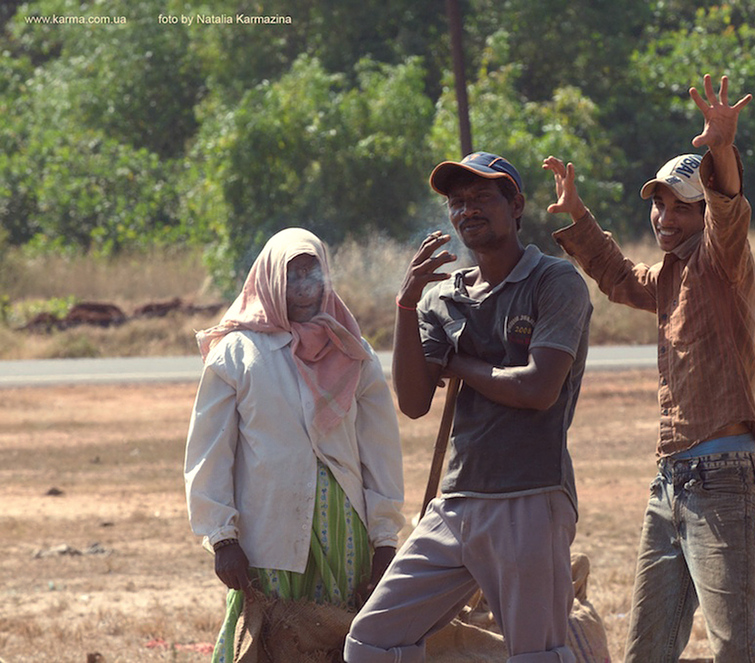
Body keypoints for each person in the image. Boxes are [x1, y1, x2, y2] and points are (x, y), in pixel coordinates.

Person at [544, 74, 755, 662]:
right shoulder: (669, 276)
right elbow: (618, 279)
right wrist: (579, 214)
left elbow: (730, 212)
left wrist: (721, 148)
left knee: (736, 649)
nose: (665, 218)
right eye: (658, 205)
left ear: (705, 212)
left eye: (681, 207)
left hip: (722, 479)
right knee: (646, 651)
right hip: (669, 484)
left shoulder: (724, 260)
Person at [344, 152, 592, 663]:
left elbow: (537, 389)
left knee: (536, 655)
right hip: (457, 503)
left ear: (517, 205)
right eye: (457, 202)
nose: (467, 210)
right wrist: (406, 304)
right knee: (371, 642)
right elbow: (413, 403)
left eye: (482, 197)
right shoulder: (441, 299)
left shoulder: (554, 282)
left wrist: (459, 366)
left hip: (530, 495)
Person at [184, 227, 405, 663]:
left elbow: (380, 451)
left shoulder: (353, 350)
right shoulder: (237, 353)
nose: (304, 288)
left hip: (347, 533)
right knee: (271, 640)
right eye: (292, 276)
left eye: (312, 273)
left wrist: (384, 540)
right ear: (269, 280)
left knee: (338, 638)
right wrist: (222, 537)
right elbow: (210, 452)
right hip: (269, 534)